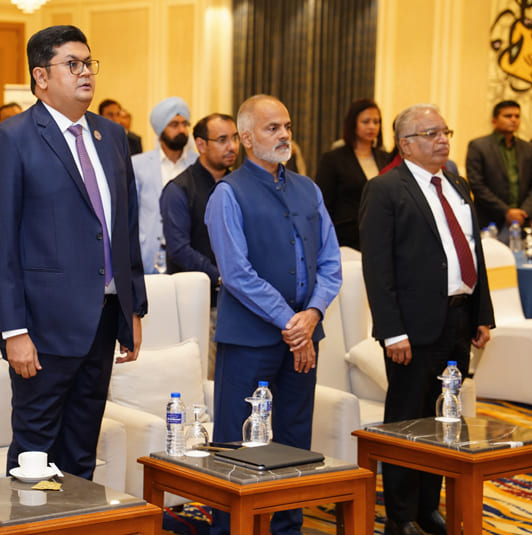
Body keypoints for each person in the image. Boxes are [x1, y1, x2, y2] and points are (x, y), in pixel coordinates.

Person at [0, 25, 147, 479]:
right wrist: (13, 330)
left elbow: (125, 229)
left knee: (81, 449)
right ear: (41, 76)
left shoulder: (112, 136)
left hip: (103, 319)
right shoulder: (11, 139)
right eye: (72, 64)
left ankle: (77, 517)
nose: (86, 72)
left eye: (89, 63)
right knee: (35, 454)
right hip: (42, 326)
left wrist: (132, 308)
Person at [205, 94, 341, 535]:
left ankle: (288, 528)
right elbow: (236, 274)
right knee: (237, 443)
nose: (284, 135)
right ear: (246, 138)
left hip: (304, 338)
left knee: (295, 439)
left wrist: (313, 313)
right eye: (272, 128)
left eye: (287, 126)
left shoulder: (309, 189)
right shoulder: (228, 193)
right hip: (249, 341)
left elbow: (331, 263)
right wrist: (292, 322)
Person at [359, 104, 494, 535]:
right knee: (407, 421)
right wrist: (391, 331)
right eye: (431, 133)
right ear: (406, 144)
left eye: (445, 131)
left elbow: (472, 251)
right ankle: (400, 516)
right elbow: (377, 268)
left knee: (443, 419)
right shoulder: (385, 189)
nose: (442, 140)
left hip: (458, 320)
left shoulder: (456, 183)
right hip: (412, 329)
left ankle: (426, 507)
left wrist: (482, 313)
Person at [160, 112, 238, 378]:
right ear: (201, 145)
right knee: (204, 381)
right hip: (200, 305)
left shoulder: (239, 186)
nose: (232, 146)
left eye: (235, 138)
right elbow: (179, 249)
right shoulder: (179, 189)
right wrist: (222, 277)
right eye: (222, 140)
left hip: (238, 303)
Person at [132, 96, 198, 273]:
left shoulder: (198, 164)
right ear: (161, 128)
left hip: (190, 257)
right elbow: (131, 215)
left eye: (185, 124)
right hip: (149, 256)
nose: (182, 130)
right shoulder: (138, 165)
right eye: (174, 125)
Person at [315, 98, 390, 250]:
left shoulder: (385, 158)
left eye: (376, 122)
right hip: (345, 238)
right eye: (366, 122)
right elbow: (323, 203)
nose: (372, 126)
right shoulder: (333, 159)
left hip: (381, 235)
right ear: (353, 124)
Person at [465, 100, 532, 239]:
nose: (513, 120)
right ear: (494, 121)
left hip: (522, 220)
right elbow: (477, 185)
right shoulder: (478, 146)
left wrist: (524, 212)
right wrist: (506, 212)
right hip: (490, 221)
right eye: (508, 116)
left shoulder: (528, 148)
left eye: (517, 116)